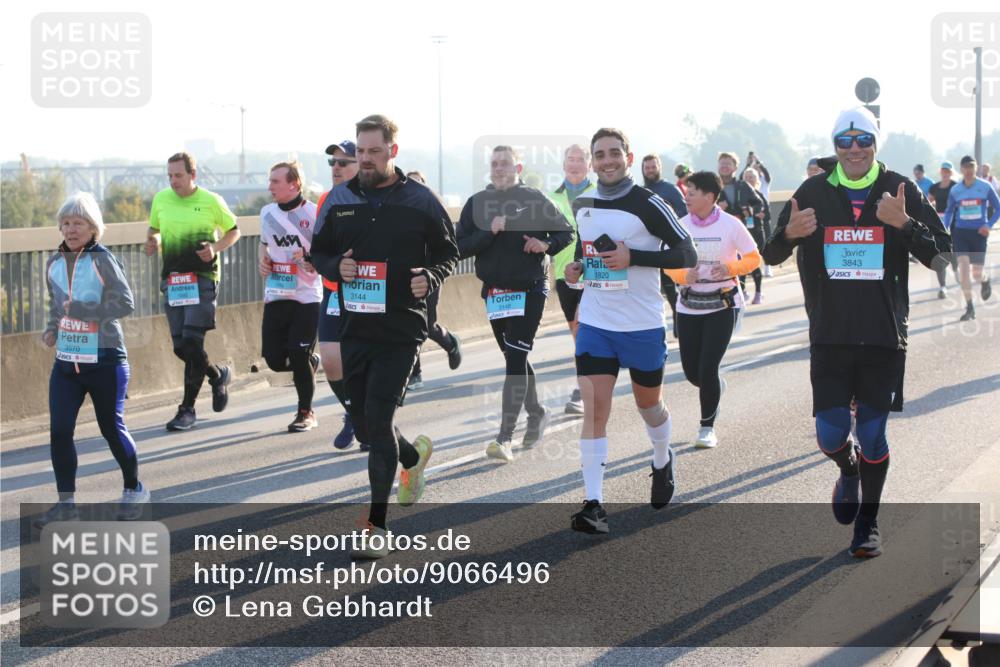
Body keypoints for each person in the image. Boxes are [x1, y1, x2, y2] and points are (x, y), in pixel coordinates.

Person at [762, 107, 950, 558]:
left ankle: (868, 523)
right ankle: (846, 469)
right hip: (829, 333)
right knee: (830, 435)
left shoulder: (899, 189)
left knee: (873, 437)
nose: (853, 149)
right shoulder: (812, 192)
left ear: (875, 142)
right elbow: (769, 255)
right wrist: (788, 234)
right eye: (843, 142)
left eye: (862, 139)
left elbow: (943, 257)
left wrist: (904, 224)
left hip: (883, 334)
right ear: (834, 147)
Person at [312, 114, 457, 557]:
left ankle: (375, 526)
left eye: (375, 151)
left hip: (401, 329)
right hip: (355, 325)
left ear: (392, 151)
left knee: (376, 423)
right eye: (361, 152)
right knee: (368, 422)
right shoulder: (338, 199)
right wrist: (338, 266)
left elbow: (450, 253)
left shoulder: (419, 200)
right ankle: (411, 458)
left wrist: (430, 277)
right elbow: (318, 252)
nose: (367, 159)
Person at [564, 127, 697, 534]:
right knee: (595, 409)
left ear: (628, 156)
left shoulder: (648, 202)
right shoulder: (583, 203)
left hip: (641, 326)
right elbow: (584, 253)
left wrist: (634, 257)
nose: (607, 160)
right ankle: (593, 504)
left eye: (614, 153)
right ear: (591, 160)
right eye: (599, 154)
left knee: (649, 407)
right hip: (597, 323)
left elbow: (686, 252)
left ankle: (661, 457)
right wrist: (576, 271)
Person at [36, 192, 149, 527]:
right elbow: (58, 306)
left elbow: (125, 303)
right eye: (66, 223)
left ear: (93, 227)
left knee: (110, 429)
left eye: (79, 223)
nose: (71, 229)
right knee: (59, 431)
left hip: (105, 359)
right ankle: (66, 504)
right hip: (67, 362)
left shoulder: (103, 260)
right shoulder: (53, 263)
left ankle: (133, 489)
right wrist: (52, 329)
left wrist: (85, 311)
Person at [457, 145, 573, 462]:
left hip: (530, 290)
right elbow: (458, 246)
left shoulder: (533, 199)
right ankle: (536, 412)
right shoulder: (477, 203)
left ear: (517, 168)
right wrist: (487, 232)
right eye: (494, 163)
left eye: (505, 163)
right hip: (495, 294)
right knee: (515, 358)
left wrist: (545, 243)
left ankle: (505, 436)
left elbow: (567, 232)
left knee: (514, 360)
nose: (498, 168)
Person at [664, 172, 760, 449]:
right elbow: (668, 261)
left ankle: (707, 427)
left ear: (709, 196)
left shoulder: (732, 225)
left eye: (691, 192)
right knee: (692, 372)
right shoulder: (680, 226)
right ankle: (714, 386)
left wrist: (731, 268)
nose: (687, 197)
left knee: (707, 367)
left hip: (724, 303)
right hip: (689, 305)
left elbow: (754, 258)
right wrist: (683, 275)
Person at [146, 152, 240, 431]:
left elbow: (233, 230)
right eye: (170, 175)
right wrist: (153, 240)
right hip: (174, 279)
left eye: (179, 175)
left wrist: (215, 248)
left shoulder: (211, 201)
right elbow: (155, 229)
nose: (173, 181)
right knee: (180, 347)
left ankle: (186, 409)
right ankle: (216, 374)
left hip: (202, 277)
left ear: (192, 175)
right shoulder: (161, 199)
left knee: (192, 341)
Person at [257, 162, 323, 431]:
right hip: (276, 293)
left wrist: (310, 260)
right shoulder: (267, 213)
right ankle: (309, 363)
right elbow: (264, 247)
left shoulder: (314, 213)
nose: (270, 186)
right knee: (274, 359)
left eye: (275, 181)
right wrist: (262, 263)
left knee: (297, 353)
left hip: (307, 296)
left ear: (294, 184)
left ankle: (306, 412)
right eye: (270, 181)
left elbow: (324, 254)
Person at [315, 140, 361, 448]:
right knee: (331, 360)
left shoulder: (376, 198)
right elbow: (319, 247)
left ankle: (373, 422)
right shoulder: (326, 200)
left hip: (370, 293)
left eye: (344, 162)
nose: (336, 167)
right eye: (333, 161)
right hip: (334, 290)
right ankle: (354, 413)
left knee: (364, 362)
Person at [404, 169, 463, 391]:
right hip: (405, 276)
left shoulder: (434, 210)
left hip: (430, 274)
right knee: (409, 323)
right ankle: (414, 374)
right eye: (410, 184)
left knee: (427, 325)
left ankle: (450, 342)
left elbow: (448, 248)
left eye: (419, 184)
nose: (414, 188)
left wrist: (434, 272)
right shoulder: (400, 211)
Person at [548, 144, 596, 415]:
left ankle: (583, 390)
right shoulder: (550, 197)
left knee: (583, 329)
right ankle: (593, 378)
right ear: (564, 164)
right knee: (579, 335)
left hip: (595, 272)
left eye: (581, 159)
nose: (575, 164)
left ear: (589, 164)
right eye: (570, 159)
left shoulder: (599, 194)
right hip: (563, 274)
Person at [943, 155, 999, 321]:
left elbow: (998, 208)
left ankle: (985, 280)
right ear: (961, 169)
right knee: (964, 271)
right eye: (965, 167)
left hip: (979, 234)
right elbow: (949, 211)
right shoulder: (956, 190)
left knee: (976, 274)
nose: (968, 170)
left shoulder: (985, 187)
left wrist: (988, 225)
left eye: (971, 167)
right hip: (961, 233)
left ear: (976, 168)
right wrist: (946, 228)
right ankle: (970, 308)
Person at [642, 154, 688, 334]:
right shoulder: (640, 191)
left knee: (672, 288)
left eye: (653, 167)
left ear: (659, 167)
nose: (650, 170)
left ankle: (679, 318)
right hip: (647, 248)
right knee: (657, 290)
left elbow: (684, 215)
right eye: (647, 168)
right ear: (643, 170)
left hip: (669, 247)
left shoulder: (670, 189)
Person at [718, 152, 766, 304]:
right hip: (719, 233)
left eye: (728, 164)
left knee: (746, 261)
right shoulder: (712, 186)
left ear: (735, 167)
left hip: (743, 230)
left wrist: (749, 211)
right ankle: (729, 295)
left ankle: (752, 292)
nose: (724, 167)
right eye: (722, 163)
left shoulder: (743, 185)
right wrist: (717, 208)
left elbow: (759, 203)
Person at [929, 161, 958, 298]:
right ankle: (942, 286)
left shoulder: (956, 186)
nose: (945, 173)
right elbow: (929, 203)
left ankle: (957, 273)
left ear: (951, 172)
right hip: (939, 222)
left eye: (948, 171)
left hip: (954, 221)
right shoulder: (934, 187)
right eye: (943, 171)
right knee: (941, 253)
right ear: (940, 172)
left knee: (955, 252)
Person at [742, 167, 772, 295]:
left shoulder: (759, 195)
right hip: (743, 230)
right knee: (742, 260)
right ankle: (743, 290)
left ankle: (758, 290)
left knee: (754, 258)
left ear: (757, 179)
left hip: (758, 230)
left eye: (752, 176)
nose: (749, 179)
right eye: (747, 177)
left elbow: (767, 214)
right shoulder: (740, 195)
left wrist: (759, 214)